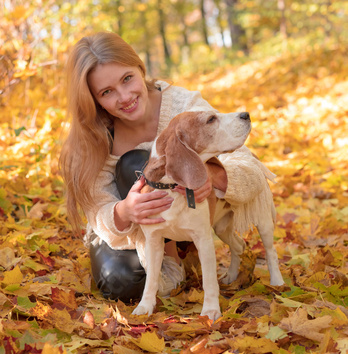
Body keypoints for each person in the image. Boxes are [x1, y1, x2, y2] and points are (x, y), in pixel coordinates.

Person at [59, 31, 271, 303]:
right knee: (119, 282)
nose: (125, 97)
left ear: (140, 67)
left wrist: (211, 173)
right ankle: (171, 261)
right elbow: (96, 208)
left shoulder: (183, 107)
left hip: (188, 216)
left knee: (145, 160)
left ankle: (184, 252)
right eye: (107, 92)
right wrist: (124, 211)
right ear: (94, 99)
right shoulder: (95, 136)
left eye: (127, 78)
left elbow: (249, 166)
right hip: (134, 232)